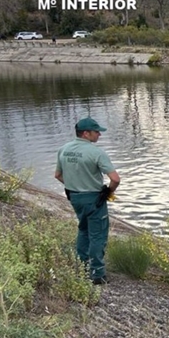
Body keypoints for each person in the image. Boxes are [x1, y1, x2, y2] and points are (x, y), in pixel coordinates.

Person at [55, 117, 120, 285]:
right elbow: (115, 179)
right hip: (94, 199)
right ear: (86, 133)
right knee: (98, 235)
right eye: (96, 131)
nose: (99, 134)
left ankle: (81, 266)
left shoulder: (63, 149)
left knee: (83, 229)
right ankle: (97, 273)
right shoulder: (96, 152)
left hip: (74, 197)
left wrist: (74, 186)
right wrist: (108, 192)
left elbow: (58, 175)